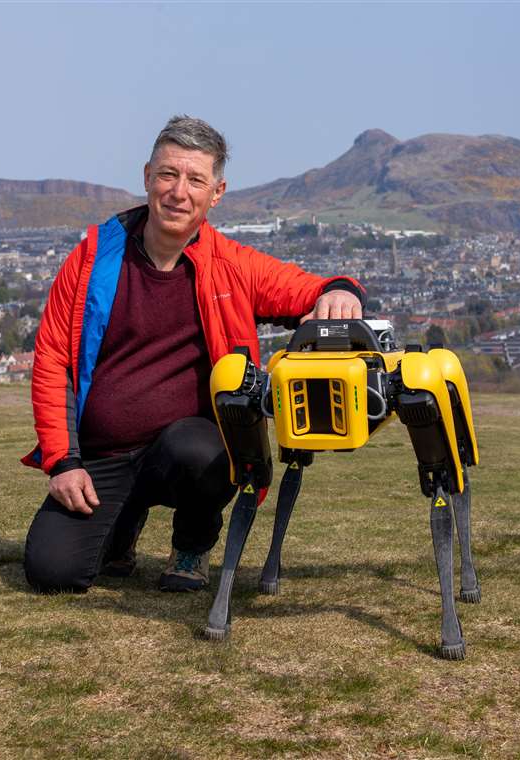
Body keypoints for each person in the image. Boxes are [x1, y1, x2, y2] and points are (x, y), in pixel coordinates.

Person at [21, 115, 364, 594]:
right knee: (52, 573)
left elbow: (306, 289)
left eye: (195, 180)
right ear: (147, 177)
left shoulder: (231, 265)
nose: (178, 192)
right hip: (101, 453)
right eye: (168, 174)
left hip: (185, 450)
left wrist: (342, 291)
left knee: (208, 451)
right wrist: (63, 462)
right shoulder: (92, 259)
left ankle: (192, 543)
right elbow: (53, 361)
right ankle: (120, 528)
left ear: (216, 192)